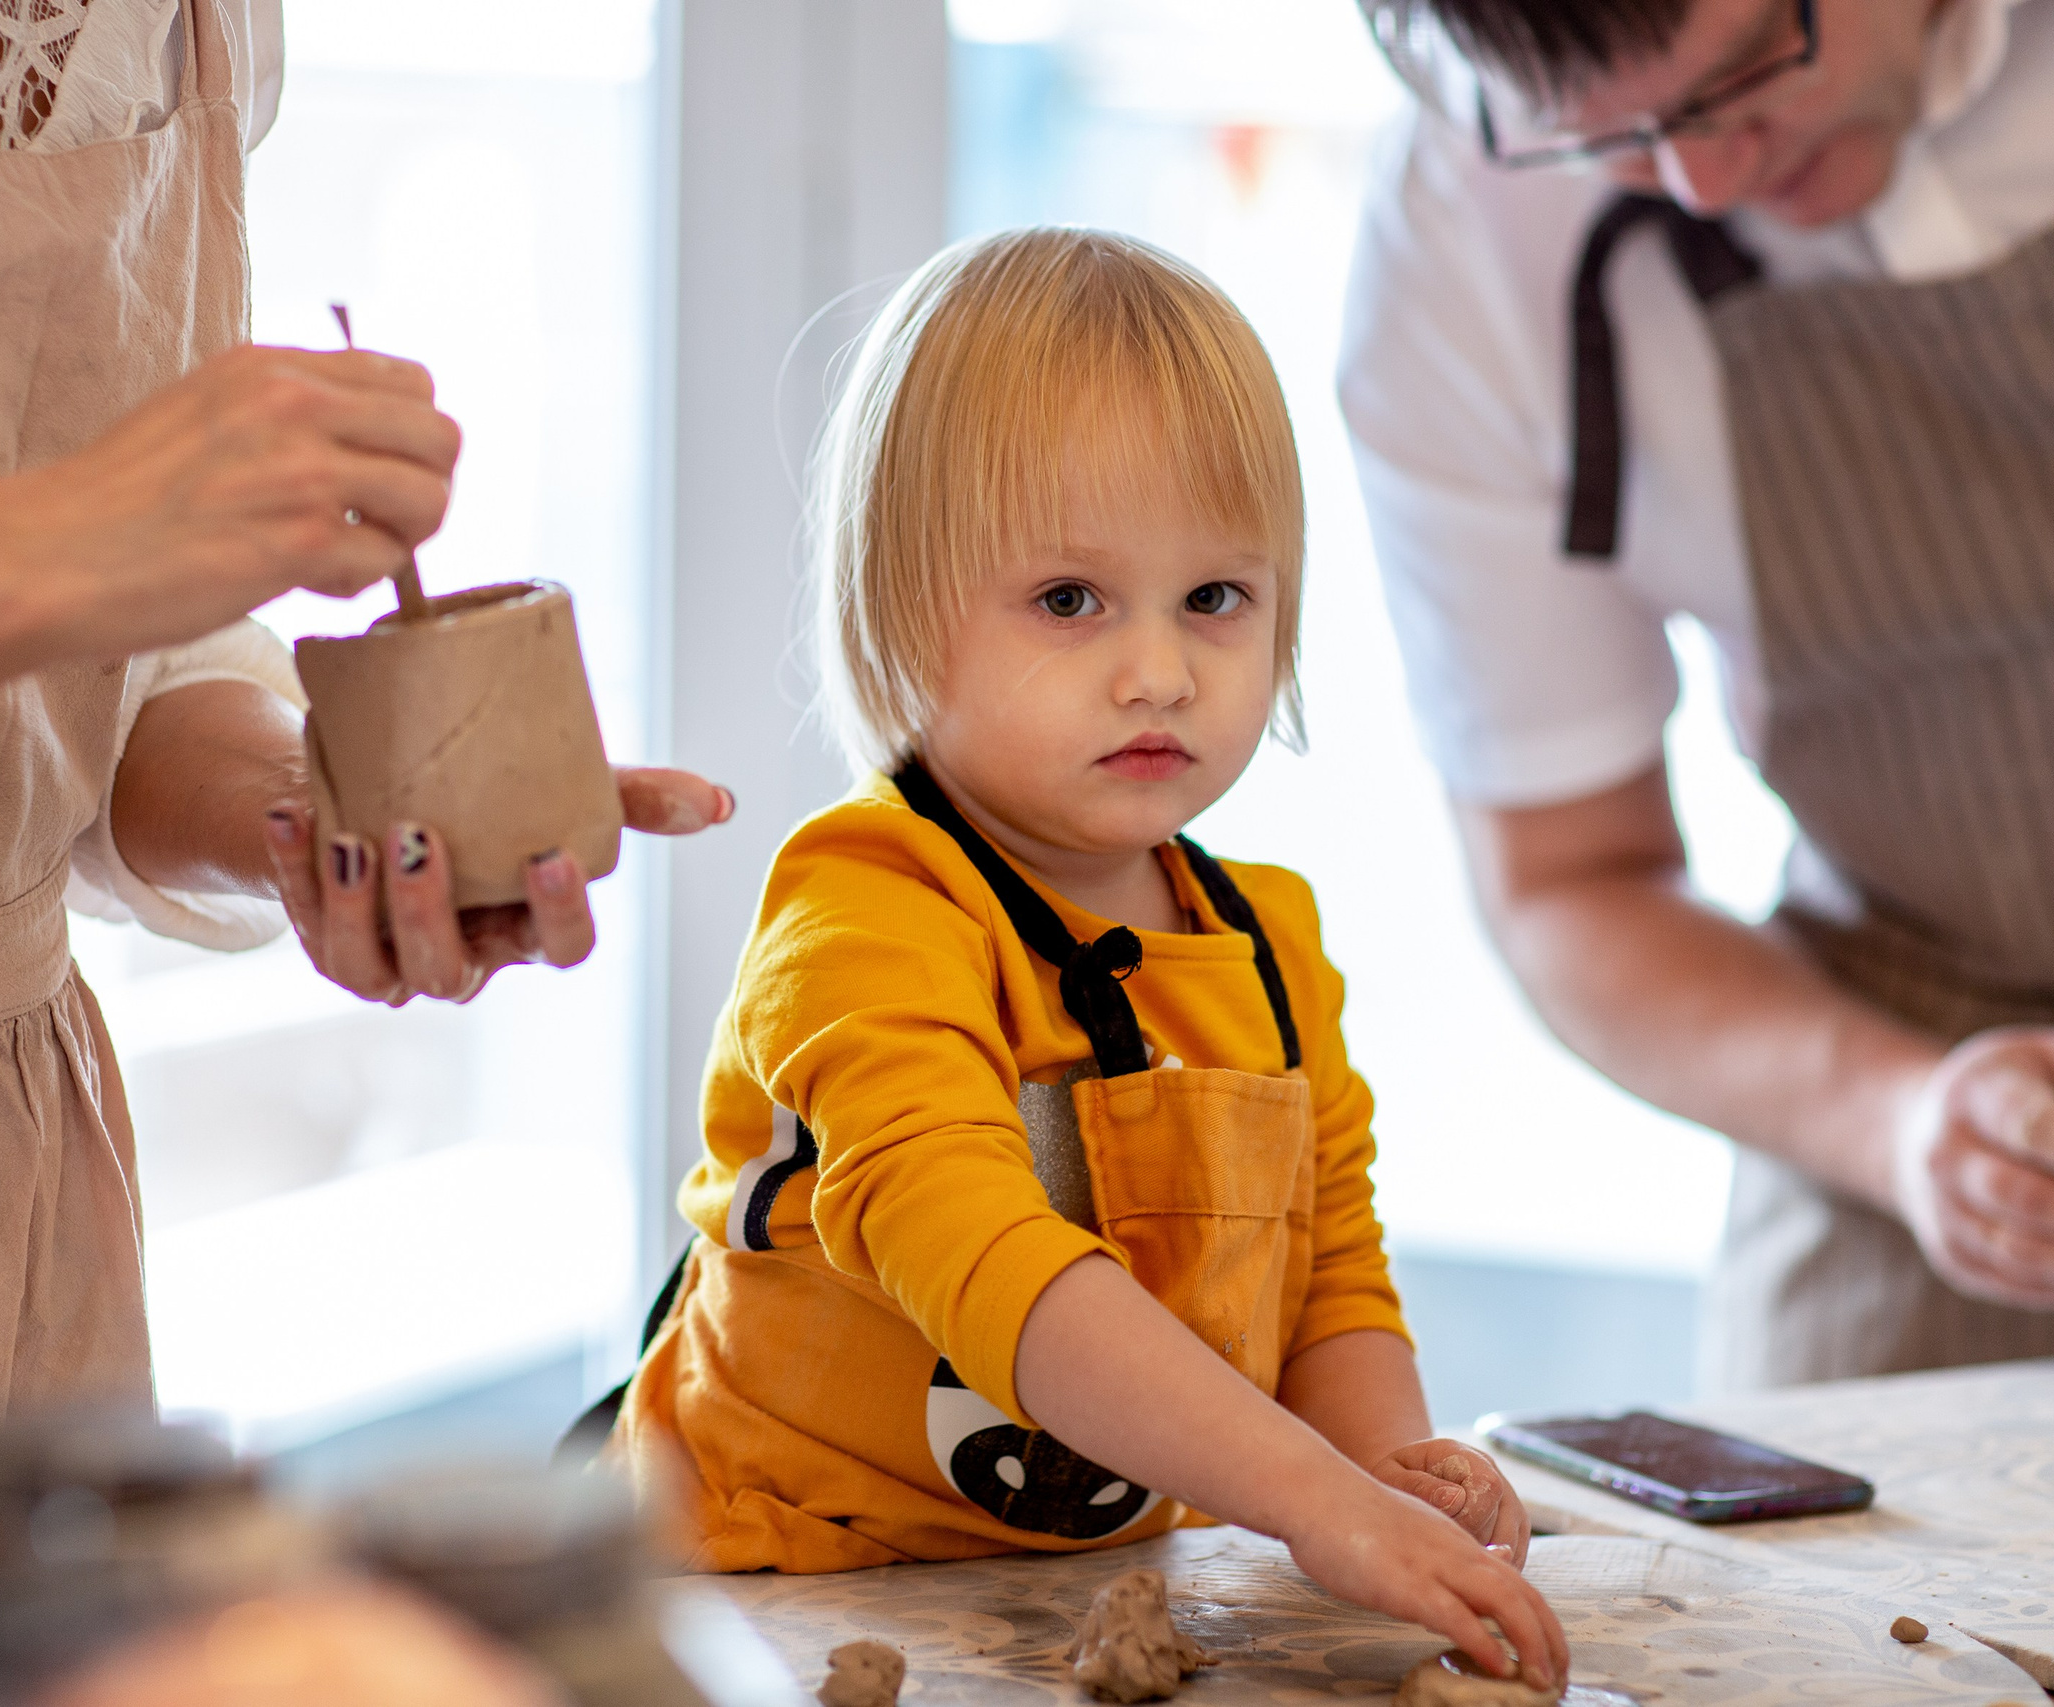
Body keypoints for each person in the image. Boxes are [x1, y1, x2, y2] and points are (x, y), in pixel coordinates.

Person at [0, 0, 724, 1515]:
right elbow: (72, 561)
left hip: (3, 1201)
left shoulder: (194, 28)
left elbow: (105, 684)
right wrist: (53, 544)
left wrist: (313, 821)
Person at [606, 227, 1565, 1687]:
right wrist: (1314, 1505)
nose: (1161, 670)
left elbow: (1333, 1286)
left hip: (1089, 1591)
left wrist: (1391, 1479)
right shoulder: (863, 911)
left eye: (1216, 600)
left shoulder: (1265, 943)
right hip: (778, 1587)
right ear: (893, 610)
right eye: (1070, 601)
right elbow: (994, 1266)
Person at [1342, 0, 2054, 1388]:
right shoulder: (1463, 229)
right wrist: (1902, 1122)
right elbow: (1570, 879)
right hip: (1914, 1122)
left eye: (1748, 73)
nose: (1709, 180)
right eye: (1620, 140)